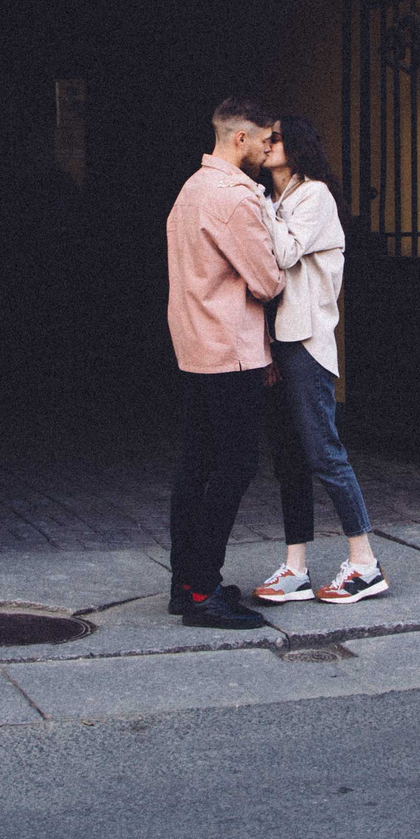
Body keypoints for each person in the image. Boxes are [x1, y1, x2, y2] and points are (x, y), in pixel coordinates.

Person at [250, 116, 385, 607]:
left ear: (300, 147)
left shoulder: (315, 196)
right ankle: (296, 568)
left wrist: (258, 205)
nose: (268, 143)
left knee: (324, 453)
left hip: (307, 343)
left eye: (277, 137)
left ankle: (365, 563)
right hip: (280, 341)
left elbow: (283, 253)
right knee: (289, 459)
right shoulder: (280, 199)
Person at [165, 96, 286, 629]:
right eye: (263, 141)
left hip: (194, 347)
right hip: (231, 353)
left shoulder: (191, 189)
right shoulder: (235, 198)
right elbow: (268, 279)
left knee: (196, 467)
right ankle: (203, 588)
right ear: (240, 139)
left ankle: (184, 582)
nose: (267, 151)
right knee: (236, 466)